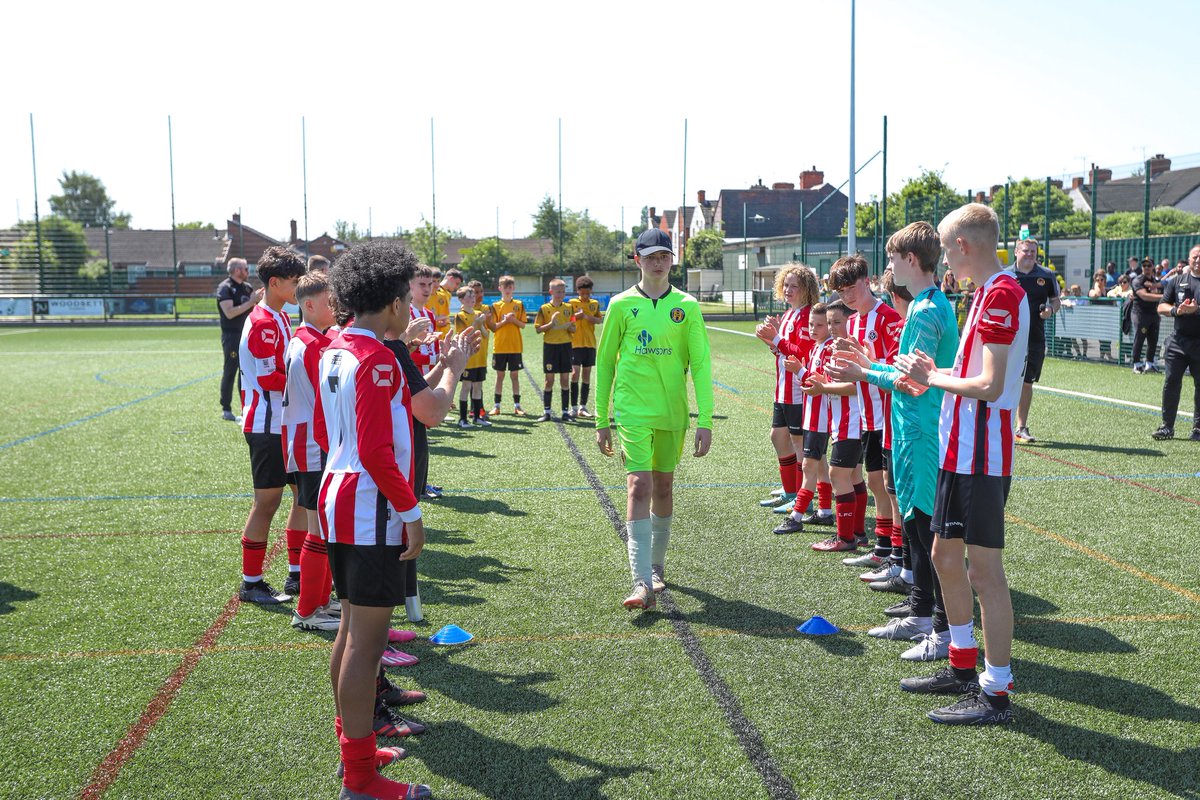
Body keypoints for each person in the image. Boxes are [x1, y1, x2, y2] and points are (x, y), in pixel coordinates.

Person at [895, 203, 1028, 726]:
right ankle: (960, 663)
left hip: (982, 456)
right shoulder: (982, 293)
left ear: (964, 247)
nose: (945, 258)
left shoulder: (1000, 294)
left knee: (983, 572)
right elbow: (970, 371)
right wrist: (931, 371)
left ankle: (995, 692)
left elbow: (990, 386)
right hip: (959, 449)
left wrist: (932, 377)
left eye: (948, 248)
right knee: (944, 558)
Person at [319, 240, 433, 800]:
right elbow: (375, 449)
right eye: (407, 296)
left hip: (338, 501)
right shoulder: (378, 358)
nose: (411, 305)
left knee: (349, 632)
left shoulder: (334, 346)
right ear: (391, 302)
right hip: (372, 511)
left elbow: (326, 434)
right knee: (366, 643)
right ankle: (361, 781)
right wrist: (411, 513)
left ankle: (354, 746)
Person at [828, 222, 959, 659]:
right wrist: (869, 363)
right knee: (918, 529)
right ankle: (922, 613)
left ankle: (940, 628)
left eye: (891, 259)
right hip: (910, 430)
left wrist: (863, 372)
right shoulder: (924, 304)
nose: (887, 268)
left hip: (922, 434)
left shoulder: (925, 311)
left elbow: (909, 383)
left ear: (909, 260)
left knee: (926, 532)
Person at [595, 227, 713, 611]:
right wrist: (601, 418)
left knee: (663, 488)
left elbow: (701, 365)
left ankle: (656, 567)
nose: (658, 262)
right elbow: (604, 365)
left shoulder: (688, 306)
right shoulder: (620, 305)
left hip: (673, 414)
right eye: (651, 257)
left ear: (671, 260)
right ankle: (641, 581)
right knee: (638, 487)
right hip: (632, 413)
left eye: (664, 256)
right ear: (637, 261)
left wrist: (706, 420)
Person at [236, 246, 308, 605]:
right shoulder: (264, 321)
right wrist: (310, 377)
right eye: (295, 282)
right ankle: (251, 582)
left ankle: (296, 573)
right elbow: (268, 379)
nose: (299, 287)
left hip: (286, 423)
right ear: (274, 283)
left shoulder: (280, 315)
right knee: (267, 503)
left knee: (301, 496)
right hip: (267, 426)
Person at [753, 264, 833, 531]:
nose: (788, 290)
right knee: (778, 437)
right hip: (783, 389)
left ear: (807, 289)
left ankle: (804, 498)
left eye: (794, 286)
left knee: (802, 446)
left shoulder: (808, 316)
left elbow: (804, 354)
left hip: (799, 392)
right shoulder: (789, 314)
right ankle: (792, 491)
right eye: (785, 285)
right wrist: (771, 341)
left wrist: (776, 338)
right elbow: (783, 354)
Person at [284, 270, 340, 632]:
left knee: (322, 526)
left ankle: (320, 601)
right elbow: (327, 401)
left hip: (305, 440)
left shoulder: (306, 337)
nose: (336, 306)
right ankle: (307, 611)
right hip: (313, 444)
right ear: (309, 305)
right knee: (319, 528)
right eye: (329, 300)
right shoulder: (314, 344)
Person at [801, 299, 864, 553]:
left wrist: (823, 387)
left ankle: (845, 537)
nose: (832, 327)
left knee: (839, 475)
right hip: (844, 420)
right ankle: (857, 533)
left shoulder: (851, 349)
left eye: (837, 322)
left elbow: (855, 385)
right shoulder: (837, 348)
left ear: (851, 320)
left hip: (853, 420)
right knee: (854, 477)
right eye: (830, 322)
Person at [1004, 237, 1058, 443]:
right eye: (1025, 251)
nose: (1029, 255)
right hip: (1008, 336)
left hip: (1035, 337)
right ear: (1017, 251)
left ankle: (1021, 428)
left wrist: (1050, 310)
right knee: (1004, 380)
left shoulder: (1046, 275)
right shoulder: (1005, 274)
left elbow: (1055, 300)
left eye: (1033, 252)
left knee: (1027, 382)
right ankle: (1000, 424)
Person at [1151, 244, 1200, 441]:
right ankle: (1167, 427)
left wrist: (1195, 309)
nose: (1198, 260)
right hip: (1177, 342)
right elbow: (1161, 306)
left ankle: (1198, 429)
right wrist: (1176, 311)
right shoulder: (1177, 281)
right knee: (1171, 382)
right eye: (1195, 257)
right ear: (1189, 260)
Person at [216, 257, 263, 421]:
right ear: (237, 270)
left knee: (247, 372)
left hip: (247, 335)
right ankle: (226, 408)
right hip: (232, 336)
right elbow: (229, 313)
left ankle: (246, 408)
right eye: (245, 268)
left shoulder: (247, 287)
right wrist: (251, 302)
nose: (247, 272)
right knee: (231, 371)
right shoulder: (225, 288)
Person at [534, 278, 576, 422]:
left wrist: (569, 326)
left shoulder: (569, 308)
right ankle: (547, 412)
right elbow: (538, 329)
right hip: (550, 347)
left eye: (563, 291)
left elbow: (574, 327)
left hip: (565, 346)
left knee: (565, 380)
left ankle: (565, 413)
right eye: (558, 291)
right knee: (549, 380)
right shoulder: (544, 309)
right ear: (551, 292)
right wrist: (551, 324)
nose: (561, 294)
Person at [488, 275, 527, 416]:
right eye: (505, 287)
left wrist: (513, 320)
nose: (508, 290)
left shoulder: (519, 305)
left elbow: (523, 325)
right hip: (500, 347)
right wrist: (505, 321)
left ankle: (517, 406)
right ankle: (496, 406)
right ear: (500, 288)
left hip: (515, 346)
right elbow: (493, 327)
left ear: (513, 288)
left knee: (515, 376)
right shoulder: (495, 306)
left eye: (510, 287)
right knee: (500, 376)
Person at [453, 285, 489, 427]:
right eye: (469, 297)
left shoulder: (479, 313)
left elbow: (486, 334)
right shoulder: (460, 316)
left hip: (480, 357)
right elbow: (464, 334)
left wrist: (480, 324)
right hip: (468, 358)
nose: (472, 299)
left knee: (478, 387)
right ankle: (462, 419)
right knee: (466, 387)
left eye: (473, 296)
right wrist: (477, 323)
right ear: (461, 300)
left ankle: (477, 417)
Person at [569, 276, 604, 419]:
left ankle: (582, 407)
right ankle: (573, 407)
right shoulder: (571, 303)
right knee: (574, 374)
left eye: (587, 293)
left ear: (591, 291)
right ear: (577, 291)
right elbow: (567, 320)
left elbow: (599, 320)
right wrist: (577, 316)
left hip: (590, 344)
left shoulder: (594, 304)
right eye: (582, 293)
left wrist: (588, 317)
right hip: (574, 344)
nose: (585, 295)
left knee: (586, 375)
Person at [1131, 258, 1163, 373]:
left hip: (1153, 314)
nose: (1147, 268)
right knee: (1140, 338)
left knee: (1153, 340)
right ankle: (1136, 364)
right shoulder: (1137, 280)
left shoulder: (1156, 281)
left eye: (1149, 266)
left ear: (1153, 267)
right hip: (1140, 314)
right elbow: (1144, 296)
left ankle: (1149, 363)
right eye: (1144, 266)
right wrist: (1163, 296)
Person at [425, 267, 460, 334]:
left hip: (444, 333)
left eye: (438, 281)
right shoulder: (424, 298)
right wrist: (435, 319)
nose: (436, 284)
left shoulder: (443, 296)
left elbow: (446, 315)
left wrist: (444, 320)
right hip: (431, 334)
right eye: (433, 281)